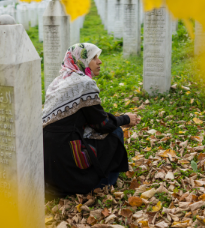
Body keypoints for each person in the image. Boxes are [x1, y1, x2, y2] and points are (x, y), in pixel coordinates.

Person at [42, 43, 140, 199]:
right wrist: (125, 119)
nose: (99, 61)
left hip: (48, 155)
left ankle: (61, 184)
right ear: (82, 61)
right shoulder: (84, 83)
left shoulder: (59, 81)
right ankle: (103, 183)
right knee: (115, 133)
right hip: (66, 151)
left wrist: (117, 119)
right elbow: (102, 124)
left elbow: (88, 115)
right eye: (94, 57)